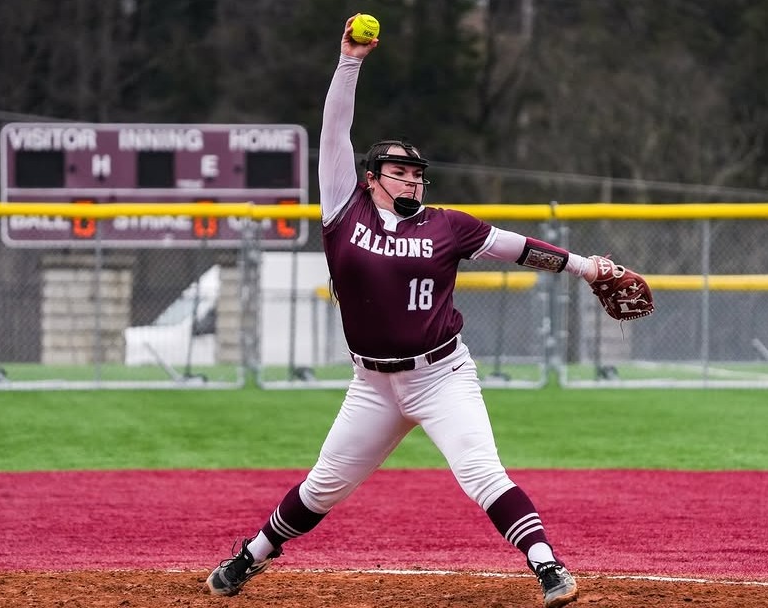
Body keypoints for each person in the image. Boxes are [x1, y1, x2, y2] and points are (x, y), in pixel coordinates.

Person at [204, 14, 631, 608]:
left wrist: (589, 267)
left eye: (417, 173)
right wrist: (350, 59)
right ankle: (252, 555)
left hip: (441, 376)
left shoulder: (448, 227)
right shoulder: (342, 212)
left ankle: (549, 569)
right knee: (323, 488)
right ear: (370, 178)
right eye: (399, 171)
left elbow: (520, 249)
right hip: (372, 384)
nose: (411, 179)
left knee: (483, 476)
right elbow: (333, 127)